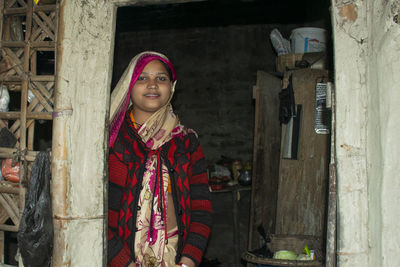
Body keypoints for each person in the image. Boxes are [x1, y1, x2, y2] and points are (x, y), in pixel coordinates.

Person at [108, 51, 212, 267]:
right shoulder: (111, 143)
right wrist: (122, 263)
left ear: (172, 87)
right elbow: (96, 212)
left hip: (174, 254)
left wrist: (188, 261)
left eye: (161, 78)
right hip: (118, 259)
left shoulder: (187, 142)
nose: (152, 85)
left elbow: (202, 208)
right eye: (142, 78)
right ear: (129, 85)